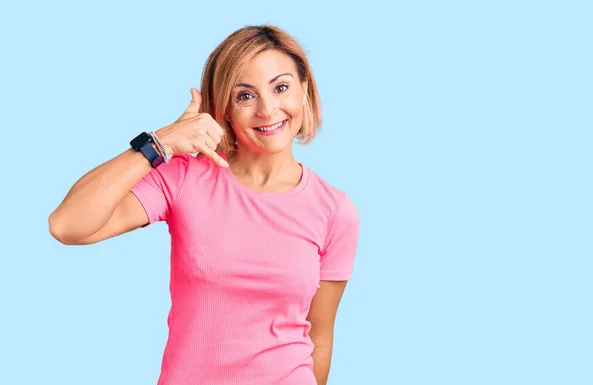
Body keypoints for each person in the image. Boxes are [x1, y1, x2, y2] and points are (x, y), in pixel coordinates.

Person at [49, 25, 360, 385]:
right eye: (245, 96)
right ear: (225, 107)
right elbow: (67, 224)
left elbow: (319, 337)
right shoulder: (184, 179)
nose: (267, 108)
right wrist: (159, 143)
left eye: (281, 87)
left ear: (304, 88)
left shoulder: (335, 210)